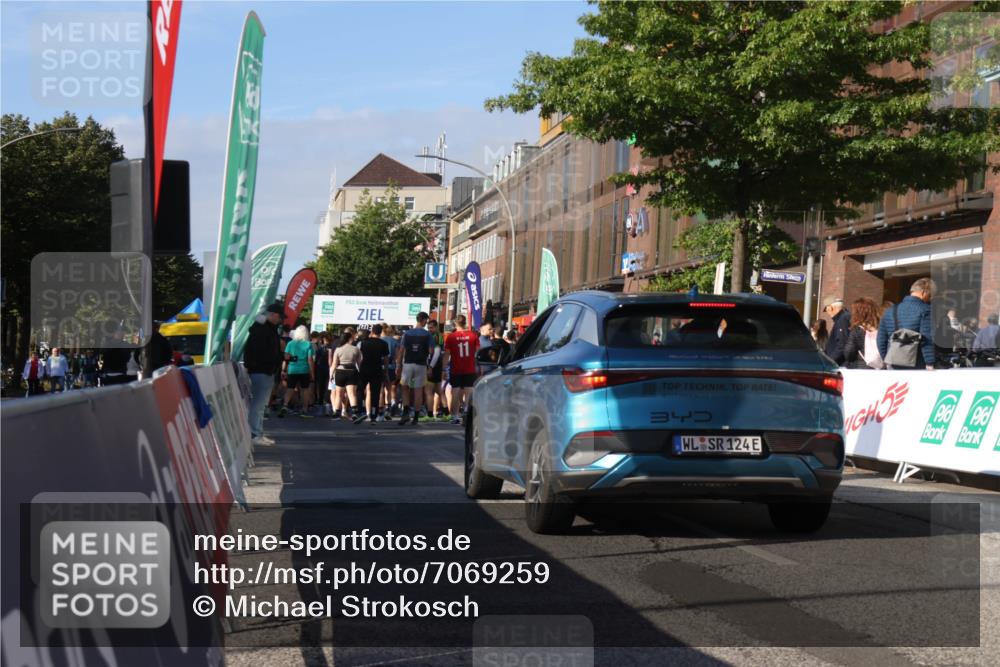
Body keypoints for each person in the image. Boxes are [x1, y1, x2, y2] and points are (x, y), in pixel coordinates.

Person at [244, 303, 286, 446]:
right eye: (280, 317)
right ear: (273, 315)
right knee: (258, 405)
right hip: (261, 370)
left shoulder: (265, 329)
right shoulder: (263, 330)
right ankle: (254, 433)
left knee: (260, 405)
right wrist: (280, 357)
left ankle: (257, 432)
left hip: (264, 370)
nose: (281, 320)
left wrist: (279, 357)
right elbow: (264, 352)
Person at [877, 277, 935, 370]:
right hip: (917, 363)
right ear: (924, 293)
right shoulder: (926, 310)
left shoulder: (890, 311)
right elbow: (927, 339)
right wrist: (930, 363)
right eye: (930, 296)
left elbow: (880, 340)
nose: (930, 299)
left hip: (893, 362)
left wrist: (887, 358)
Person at [396, 312, 434, 426]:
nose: (426, 323)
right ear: (422, 320)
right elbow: (431, 351)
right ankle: (416, 417)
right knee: (418, 390)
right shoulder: (428, 335)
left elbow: (401, 350)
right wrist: (429, 365)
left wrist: (398, 365)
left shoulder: (407, 333)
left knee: (404, 387)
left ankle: (406, 411)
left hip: (408, 364)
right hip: (421, 365)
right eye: (426, 321)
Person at [443, 314, 480, 425]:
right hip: (469, 367)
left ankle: (454, 415)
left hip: (456, 368)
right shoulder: (473, 336)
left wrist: (443, 369)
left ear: (455, 323)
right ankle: (466, 411)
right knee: (469, 391)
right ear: (465, 323)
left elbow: (446, 355)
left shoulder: (451, 337)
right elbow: (478, 352)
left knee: (455, 391)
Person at [355, 324, 390, 423]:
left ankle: (361, 411)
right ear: (380, 332)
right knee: (375, 393)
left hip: (364, 369)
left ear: (372, 332)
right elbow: (386, 359)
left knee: (360, 390)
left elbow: (358, 357)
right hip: (377, 369)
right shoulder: (384, 343)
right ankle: (374, 415)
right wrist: (385, 370)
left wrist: (359, 367)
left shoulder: (362, 343)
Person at [281, 325, 315, 418]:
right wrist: (312, 373)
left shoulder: (290, 343)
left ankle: (285, 405)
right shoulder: (308, 344)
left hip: (292, 369)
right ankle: (304, 409)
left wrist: (284, 369)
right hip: (304, 370)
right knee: (305, 390)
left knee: (290, 388)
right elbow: (310, 360)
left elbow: (286, 357)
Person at [842, 297, 883, 369]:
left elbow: (848, 353)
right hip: (881, 368)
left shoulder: (857, 330)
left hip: (861, 368)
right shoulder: (882, 328)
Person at [331, 330, 362, 419]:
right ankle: (355, 412)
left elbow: (334, 363)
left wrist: (331, 375)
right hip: (352, 371)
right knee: (352, 393)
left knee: (339, 394)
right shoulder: (355, 349)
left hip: (340, 372)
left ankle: (337, 413)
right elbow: (359, 363)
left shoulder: (338, 349)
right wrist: (360, 372)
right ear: (349, 339)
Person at [424, 319, 445, 419]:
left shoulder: (435, 337)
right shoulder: (438, 336)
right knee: (439, 391)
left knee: (429, 391)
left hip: (434, 366)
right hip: (437, 365)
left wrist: (430, 367)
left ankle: (429, 414)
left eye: (431, 327)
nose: (429, 329)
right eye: (428, 328)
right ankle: (447, 413)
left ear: (436, 327)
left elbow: (436, 352)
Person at [822, 297, 851, 365]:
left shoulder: (842, 319)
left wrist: (829, 361)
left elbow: (842, 344)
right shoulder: (844, 317)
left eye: (827, 310)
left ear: (830, 308)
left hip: (841, 363)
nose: (828, 313)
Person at [313, 332, 331, 416]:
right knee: (327, 389)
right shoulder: (332, 347)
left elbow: (316, 361)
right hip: (328, 370)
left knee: (320, 389)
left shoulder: (319, 349)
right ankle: (327, 407)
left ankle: (321, 407)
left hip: (320, 370)